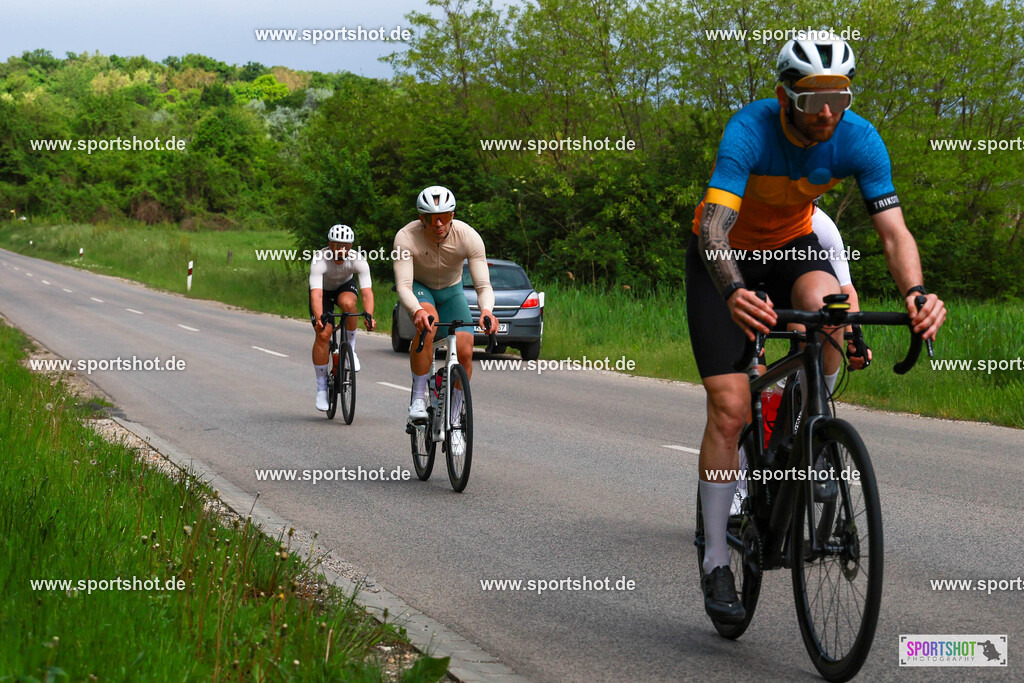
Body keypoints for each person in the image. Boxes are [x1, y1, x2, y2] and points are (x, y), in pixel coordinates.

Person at [687, 36, 946, 624]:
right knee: (729, 408)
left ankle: (808, 428)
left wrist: (916, 294)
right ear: (784, 97)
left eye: (838, 96)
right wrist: (732, 291)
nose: (827, 111)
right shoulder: (749, 130)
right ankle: (717, 559)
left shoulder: (859, 136)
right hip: (721, 258)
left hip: (790, 249)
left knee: (831, 309)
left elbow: (893, 233)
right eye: (811, 100)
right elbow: (714, 230)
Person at [393, 186, 496, 453]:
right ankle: (418, 398)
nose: (438, 223)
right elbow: (403, 285)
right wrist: (417, 310)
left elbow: (483, 285)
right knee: (429, 323)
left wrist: (486, 310)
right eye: (431, 217)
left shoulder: (468, 236)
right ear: (421, 218)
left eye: (445, 216)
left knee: (464, 349)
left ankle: (454, 421)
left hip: (452, 292)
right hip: (420, 288)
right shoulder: (406, 237)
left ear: (453, 214)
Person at [309, 224, 375, 411]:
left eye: (345, 246)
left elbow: (367, 292)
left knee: (349, 305)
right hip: (322, 291)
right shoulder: (320, 260)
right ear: (330, 245)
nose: (341, 250)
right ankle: (322, 388)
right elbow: (316, 295)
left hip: (344, 287)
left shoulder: (357, 260)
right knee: (323, 334)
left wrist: (369, 314)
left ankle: (351, 349)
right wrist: (319, 317)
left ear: (351, 246)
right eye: (337, 245)